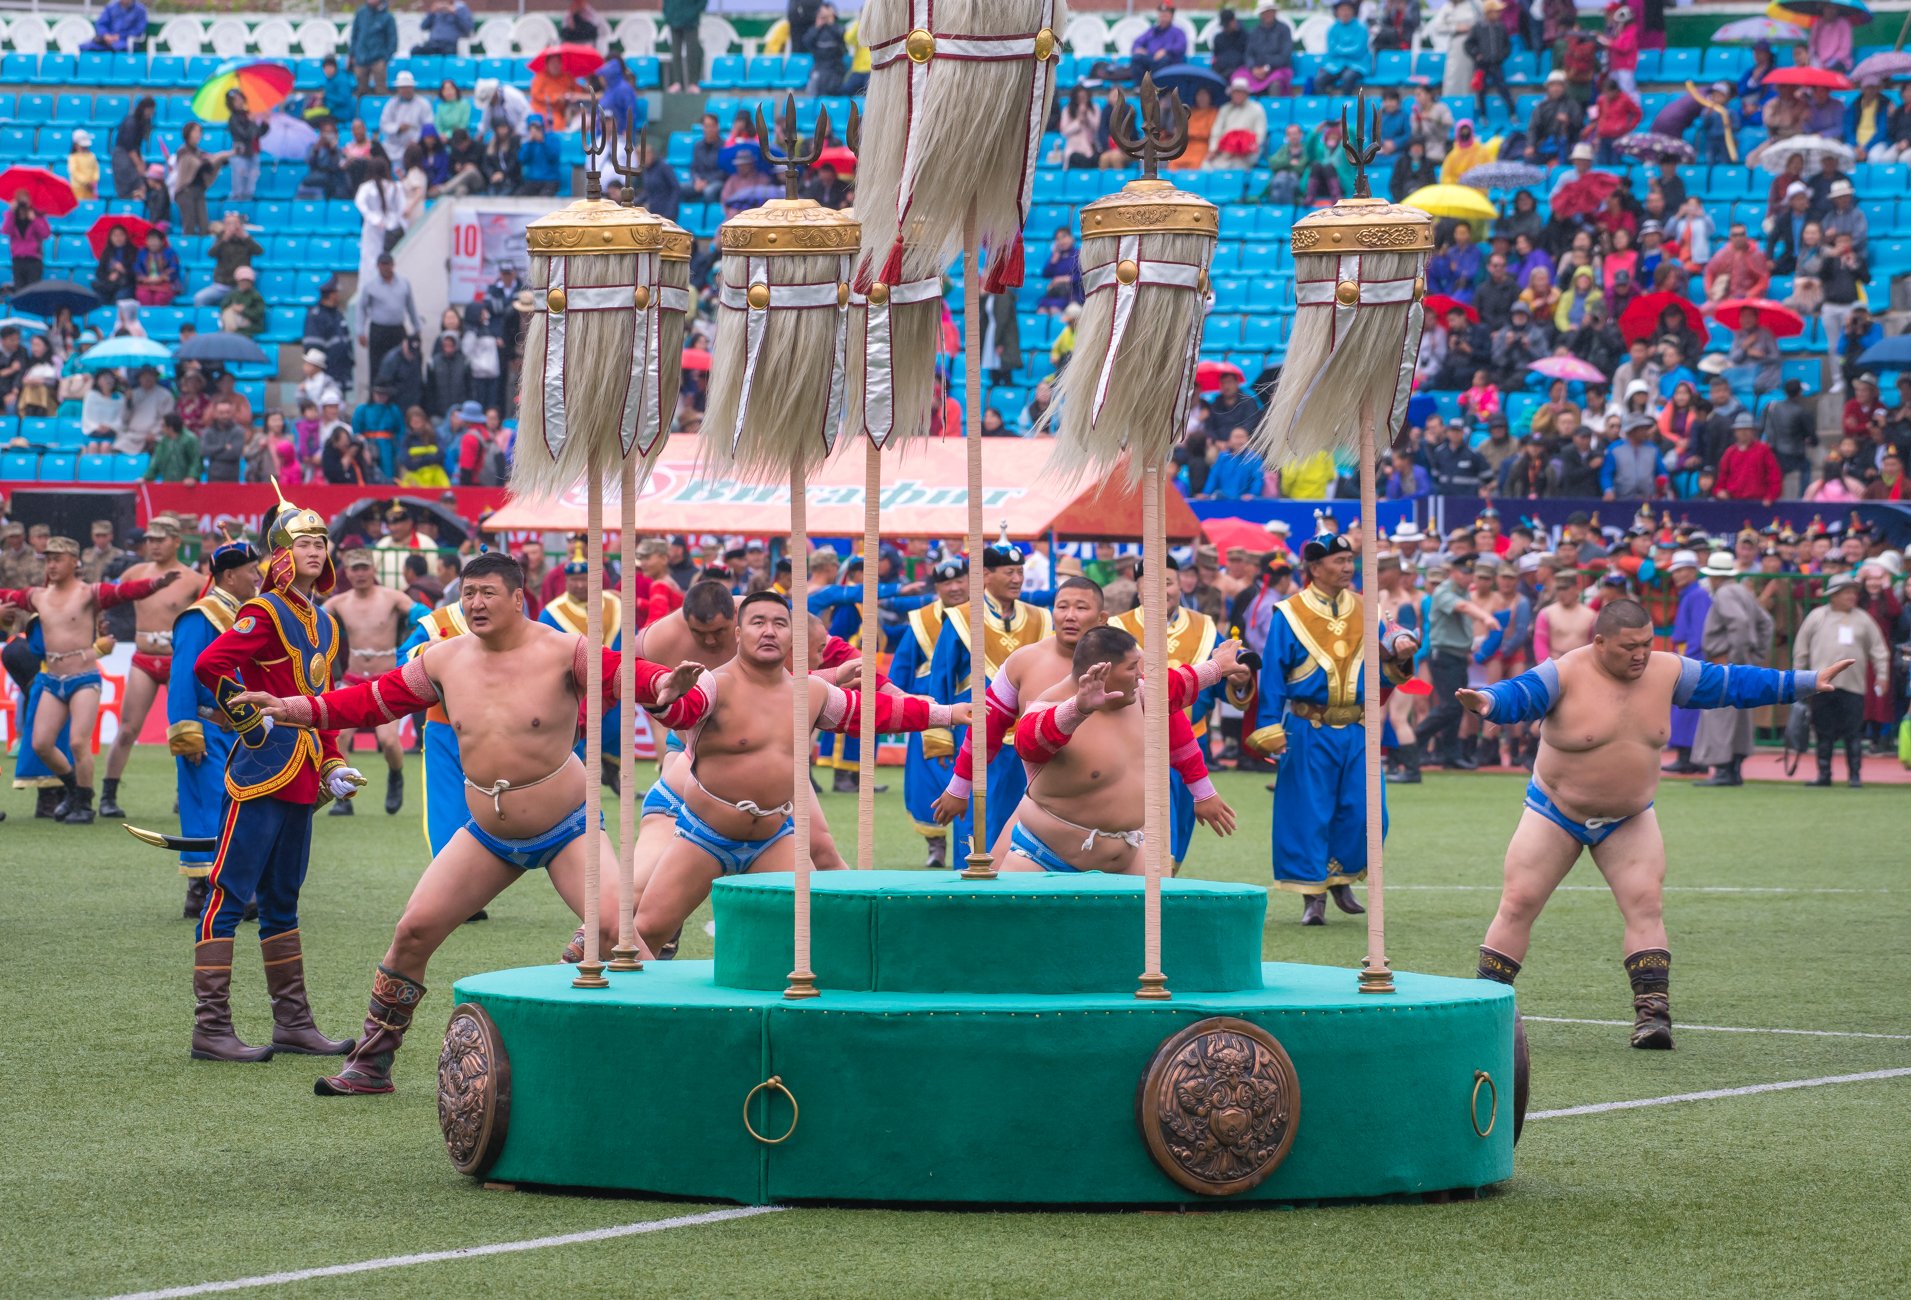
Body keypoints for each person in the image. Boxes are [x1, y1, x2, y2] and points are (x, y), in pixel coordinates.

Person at [1462, 598, 1852, 1049]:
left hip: (1629, 817)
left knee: (1646, 904)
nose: (1640, 655)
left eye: (1647, 644)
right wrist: (1488, 701)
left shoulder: (1667, 671)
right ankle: (1484, 1011)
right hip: (1555, 811)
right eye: (1629, 647)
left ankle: (1653, 1017)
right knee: (1518, 902)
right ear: (1600, 642)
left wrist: (1805, 682)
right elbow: (1520, 694)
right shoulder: (1564, 671)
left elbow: (1730, 684)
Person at [629, 591, 963, 955]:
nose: (769, 632)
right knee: (645, 931)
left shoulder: (813, 692)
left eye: (779, 624)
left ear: (792, 637)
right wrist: (663, 696)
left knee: (820, 929)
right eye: (758, 623)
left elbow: (873, 713)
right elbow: (683, 712)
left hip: (775, 838)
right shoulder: (714, 684)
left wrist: (947, 714)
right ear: (738, 634)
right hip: (705, 836)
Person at [1243, 535, 1418, 920]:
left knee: (1366, 811)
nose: (1346, 568)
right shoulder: (1288, 613)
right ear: (1314, 568)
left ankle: (1341, 878)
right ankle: (1313, 896)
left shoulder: (1366, 608)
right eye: (1338, 561)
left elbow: (1382, 671)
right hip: (1309, 727)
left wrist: (1400, 658)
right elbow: (1272, 675)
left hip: (1357, 729)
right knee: (1308, 810)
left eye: (1349, 560)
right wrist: (1269, 725)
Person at [1005, 625, 1238, 874]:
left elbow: (1174, 685)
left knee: (1162, 910)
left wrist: (1216, 668)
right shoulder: (1047, 708)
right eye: (1131, 668)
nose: (1140, 674)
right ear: (1102, 672)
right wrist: (1078, 709)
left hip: (1129, 858)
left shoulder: (1138, 694)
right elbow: (1029, 743)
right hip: (1043, 859)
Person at [10, 538, 182, 824]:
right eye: (48, 559)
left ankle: (85, 804)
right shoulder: (38, 596)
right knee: (41, 744)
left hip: (84, 678)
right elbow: (10, 595)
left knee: (79, 743)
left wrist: (155, 584)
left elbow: (123, 592)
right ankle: (75, 790)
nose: (51, 564)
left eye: (58, 558)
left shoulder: (89, 593)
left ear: (74, 561)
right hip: (52, 678)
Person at [923, 536, 1054, 860]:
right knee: (975, 819)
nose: (1016, 579)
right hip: (976, 734)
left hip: (1028, 740)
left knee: (1027, 820)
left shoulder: (1041, 618)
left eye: (1019, 571)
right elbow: (941, 678)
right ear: (986, 575)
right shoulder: (960, 617)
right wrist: (939, 738)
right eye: (1009, 571)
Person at [1109, 559, 1227, 869]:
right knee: (1148, 835)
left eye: (1168, 582)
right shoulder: (1116, 630)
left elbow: (1224, 689)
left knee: (1181, 830)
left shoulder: (1205, 627)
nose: (1161, 590)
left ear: (1181, 585)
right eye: (1151, 582)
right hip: (1136, 749)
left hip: (1192, 742)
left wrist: (1238, 682)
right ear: (1137, 587)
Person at [166, 535, 261, 916]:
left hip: (237, 731)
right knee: (205, 809)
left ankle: (230, 887)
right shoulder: (200, 616)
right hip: (206, 728)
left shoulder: (244, 612)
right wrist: (186, 729)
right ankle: (202, 891)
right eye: (252, 571)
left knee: (234, 810)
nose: (257, 578)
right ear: (229, 575)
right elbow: (183, 677)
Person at [324, 550, 427, 817]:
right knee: (340, 737)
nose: (359, 573)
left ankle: (396, 776)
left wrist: (410, 646)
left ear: (373, 569)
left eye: (364, 568)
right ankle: (343, 796)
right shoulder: (339, 602)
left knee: (389, 741)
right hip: (352, 679)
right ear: (346, 571)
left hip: (385, 679)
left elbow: (426, 617)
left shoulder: (392, 597)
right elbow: (310, 623)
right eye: (354, 569)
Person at [1683, 552, 1775, 790]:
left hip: (1725, 662)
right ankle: (1734, 770)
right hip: (1737, 663)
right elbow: (1766, 622)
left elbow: (1740, 623)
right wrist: (1756, 656)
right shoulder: (1743, 591)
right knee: (1740, 717)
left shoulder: (1724, 593)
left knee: (1718, 716)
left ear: (1713, 576)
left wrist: (1738, 658)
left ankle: (1723, 770)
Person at [537, 542, 624, 791]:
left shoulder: (614, 604)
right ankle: (578, 777)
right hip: (572, 684)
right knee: (575, 728)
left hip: (609, 679)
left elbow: (624, 639)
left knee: (616, 724)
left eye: (584, 578)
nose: (579, 584)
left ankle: (612, 770)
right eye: (573, 579)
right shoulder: (552, 612)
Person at [1792, 572, 1889, 789]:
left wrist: (1882, 675)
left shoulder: (1864, 618)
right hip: (1821, 687)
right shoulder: (1817, 616)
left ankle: (1855, 775)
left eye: (1853, 592)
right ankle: (1824, 774)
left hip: (1853, 686)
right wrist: (1797, 676)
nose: (1851, 597)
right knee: (1823, 732)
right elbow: (1801, 649)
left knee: (1853, 733)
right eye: (1846, 592)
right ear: (1833, 595)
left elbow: (1879, 650)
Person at [1315, 0, 1371, 93]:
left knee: (1347, 78)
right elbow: (1332, 50)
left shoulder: (1361, 28)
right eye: (1342, 10)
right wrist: (1347, 51)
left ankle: (1346, 105)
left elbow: (1359, 51)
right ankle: (1325, 105)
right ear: (1337, 12)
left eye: (1347, 10)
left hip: (1356, 64)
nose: (1345, 13)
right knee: (1319, 80)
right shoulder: (1333, 28)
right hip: (1336, 65)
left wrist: (1340, 51)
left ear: (1353, 11)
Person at [349, 0, 398, 95]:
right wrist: (352, 54)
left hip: (379, 59)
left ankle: (379, 108)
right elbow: (354, 35)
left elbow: (393, 40)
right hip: (361, 58)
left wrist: (385, 58)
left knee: (381, 90)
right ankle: (361, 108)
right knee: (361, 90)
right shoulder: (361, 13)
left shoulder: (387, 17)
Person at [3, 195, 48, 290]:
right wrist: (11, 212)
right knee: (19, 292)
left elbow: (45, 234)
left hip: (34, 260)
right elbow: (5, 230)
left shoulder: (38, 216)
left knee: (33, 291)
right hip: (18, 260)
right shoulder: (12, 217)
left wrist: (34, 219)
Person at [79, 370, 127, 455]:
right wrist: (96, 427)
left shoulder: (120, 398)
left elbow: (121, 417)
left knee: (106, 446)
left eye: (110, 378)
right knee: (92, 446)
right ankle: (91, 468)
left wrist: (110, 427)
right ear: (98, 381)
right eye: (105, 378)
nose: (108, 381)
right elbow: (86, 416)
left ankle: (105, 468)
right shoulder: (91, 396)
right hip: (92, 432)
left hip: (112, 432)